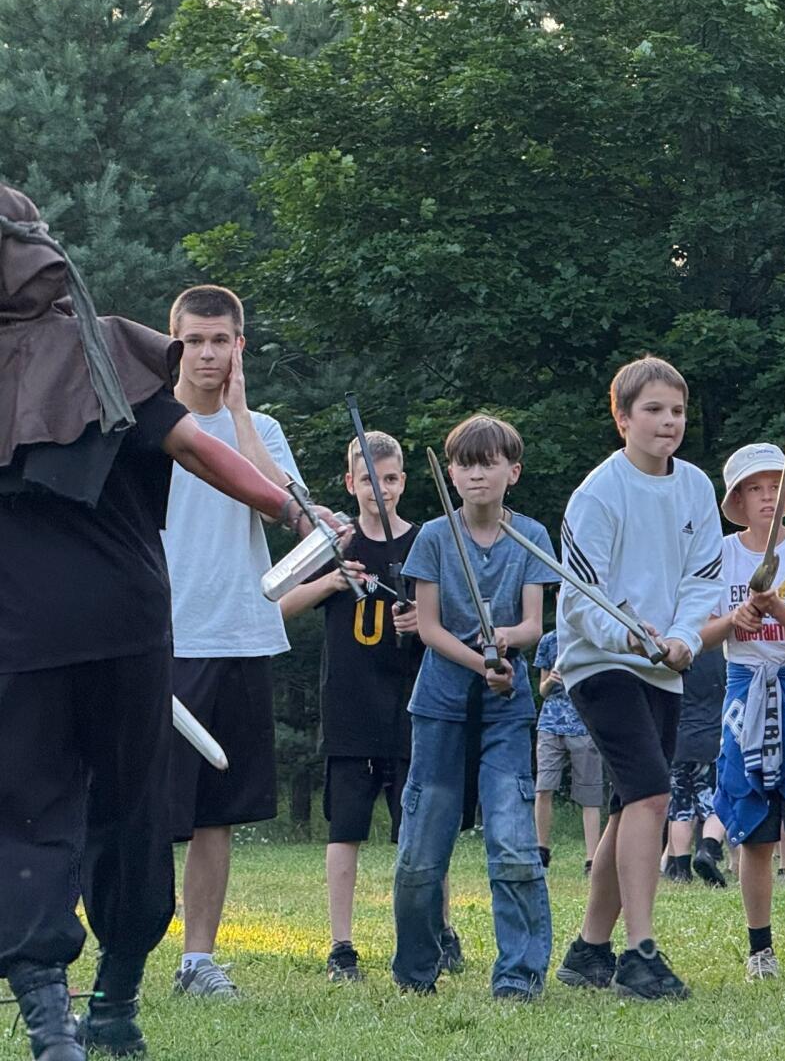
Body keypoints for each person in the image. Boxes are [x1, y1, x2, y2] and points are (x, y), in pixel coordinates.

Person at [0, 188, 340, 1060]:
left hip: (24, 634)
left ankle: (53, 1024)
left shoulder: (103, 347)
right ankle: (113, 1005)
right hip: (127, 619)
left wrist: (292, 509)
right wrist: (294, 512)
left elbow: (200, 447)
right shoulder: (106, 347)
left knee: (30, 814)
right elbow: (196, 447)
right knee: (131, 809)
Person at [553, 356, 721, 1001]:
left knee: (630, 806)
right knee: (652, 794)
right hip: (601, 663)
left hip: (664, 667)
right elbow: (579, 597)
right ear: (622, 418)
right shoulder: (598, 494)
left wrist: (683, 638)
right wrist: (626, 636)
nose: (668, 422)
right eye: (653, 410)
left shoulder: (696, 487)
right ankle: (639, 953)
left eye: (677, 411)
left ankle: (588, 950)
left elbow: (702, 579)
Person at [163, 284, 306, 999]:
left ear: (240, 347)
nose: (208, 354)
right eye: (194, 340)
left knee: (217, 813)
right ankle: (118, 955)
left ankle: (198, 961)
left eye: (221, 340)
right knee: (141, 808)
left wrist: (241, 413)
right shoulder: (148, 423)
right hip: (161, 641)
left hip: (240, 638)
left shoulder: (263, 431)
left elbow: (289, 510)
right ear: (174, 347)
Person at [278, 429, 462, 982]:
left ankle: (439, 931)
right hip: (350, 708)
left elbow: (457, 613)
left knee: (424, 829)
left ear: (403, 481)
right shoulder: (334, 542)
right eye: (368, 480)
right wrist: (332, 583)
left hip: (414, 707)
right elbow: (278, 603)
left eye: (389, 479)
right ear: (349, 483)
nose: (380, 490)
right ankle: (342, 946)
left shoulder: (428, 541)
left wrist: (423, 622)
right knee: (346, 830)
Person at [391, 414, 559, 999]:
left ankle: (519, 976)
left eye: (488, 463)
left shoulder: (530, 535)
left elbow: (534, 623)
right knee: (421, 848)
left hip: (507, 709)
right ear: (451, 474)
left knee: (512, 841)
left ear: (513, 472)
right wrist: (479, 662)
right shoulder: (434, 537)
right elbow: (429, 628)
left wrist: (505, 643)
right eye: (464, 464)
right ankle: (416, 971)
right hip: (440, 704)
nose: (476, 474)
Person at [702, 442, 785, 982]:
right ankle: (760, 949)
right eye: (754, 488)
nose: (765, 497)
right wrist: (736, 619)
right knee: (753, 819)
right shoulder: (720, 554)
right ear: (738, 499)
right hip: (745, 683)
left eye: (774, 487)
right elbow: (703, 633)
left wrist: (776, 605)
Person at [532, 623, 605, 875]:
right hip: (550, 723)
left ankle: (592, 859)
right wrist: (550, 681)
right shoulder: (548, 640)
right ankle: (541, 851)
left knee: (589, 793)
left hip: (584, 724)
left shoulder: (593, 638)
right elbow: (542, 691)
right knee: (544, 787)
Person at [665, 643, 730, 887]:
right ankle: (707, 850)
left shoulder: (680, 652)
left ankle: (681, 871)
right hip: (713, 740)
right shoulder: (723, 656)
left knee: (681, 807)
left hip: (680, 740)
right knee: (718, 803)